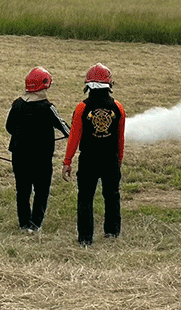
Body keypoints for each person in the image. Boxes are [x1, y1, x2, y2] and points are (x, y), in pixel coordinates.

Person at [62, 63, 126, 246]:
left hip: (89, 159)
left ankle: (85, 238)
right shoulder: (118, 107)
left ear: (88, 85)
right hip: (110, 158)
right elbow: (120, 139)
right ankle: (113, 232)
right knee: (112, 195)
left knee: (85, 198)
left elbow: (74, 137)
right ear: (109, 85)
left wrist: (67, 161)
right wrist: (119, 159)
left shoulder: (82, 107)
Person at [5, 67, 70, 233]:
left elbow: (9, 126)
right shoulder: (47, 107)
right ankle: (35, 225)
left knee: (23, 190)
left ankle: (23, 223)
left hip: (19, 155)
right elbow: (64, 128)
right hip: (41, 157)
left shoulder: (17, 104)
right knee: (41, 191)